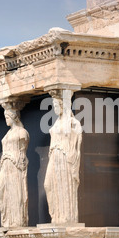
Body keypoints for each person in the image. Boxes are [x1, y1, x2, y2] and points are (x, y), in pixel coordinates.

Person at [44, 90, 82, 224]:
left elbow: (77, 148)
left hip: (65, 157)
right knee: (48, 185)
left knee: (64, 186)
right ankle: (56, 216)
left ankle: (66, 218)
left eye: (56, 105)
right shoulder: (56, 123)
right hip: (54, 156)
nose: (54, 109)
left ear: (63, 105)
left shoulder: (73, 123)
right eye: (53, 106)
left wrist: (73, 162)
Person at [0, 103, 29, 228]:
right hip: (5, 165)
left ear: (14, 116)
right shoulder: (8, 134)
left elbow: (22, 151)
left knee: (16, 192)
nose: (6, 119)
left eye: (7, 116)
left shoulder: (22, 133)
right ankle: (7, 219)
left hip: (15, 165)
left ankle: (17, 220)